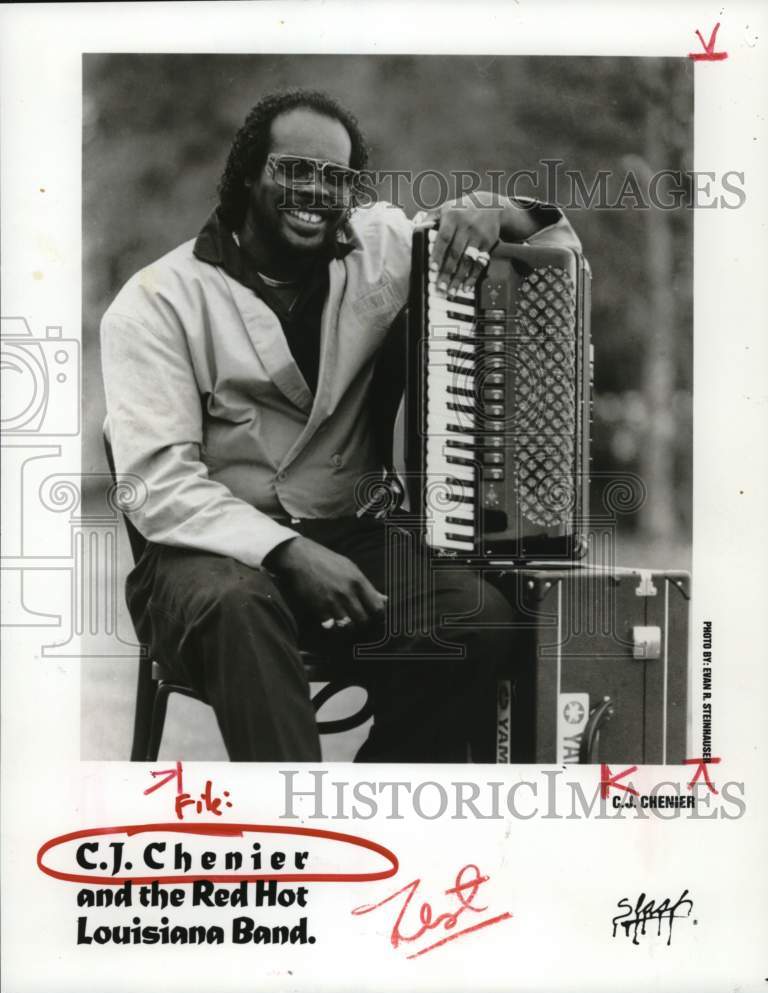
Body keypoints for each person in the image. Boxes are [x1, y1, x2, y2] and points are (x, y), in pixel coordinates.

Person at [101, 88, 581, 762]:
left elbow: (548, 244)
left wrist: (489, 208)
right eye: (294, 168)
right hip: (204, 560)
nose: (317, 191)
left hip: (349, 538)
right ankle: (299, 837)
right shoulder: (154, 303)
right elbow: (155, 486)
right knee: (240, 608)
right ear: (245, 174)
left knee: (476, 617)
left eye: (338, 178)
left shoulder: (380, 245)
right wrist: (286, 552)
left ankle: (379, 824)